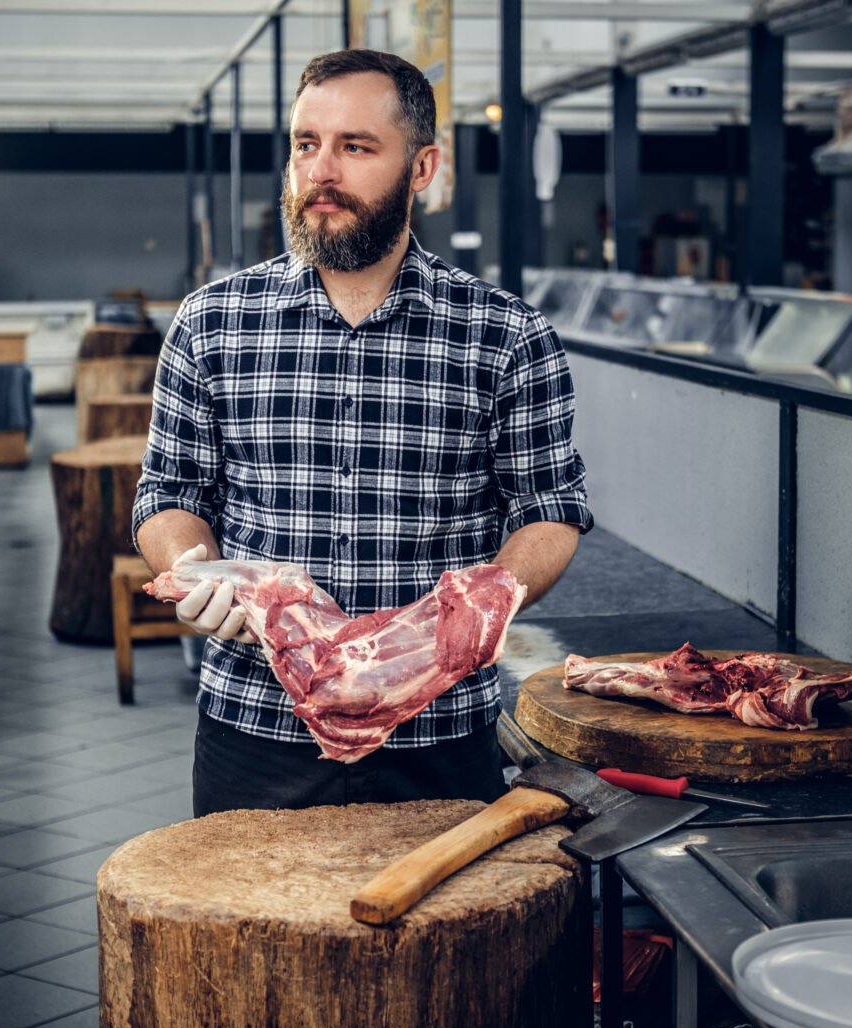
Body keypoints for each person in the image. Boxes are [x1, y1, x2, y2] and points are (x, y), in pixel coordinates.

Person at [132, 49, 592, 817]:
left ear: (422, 169)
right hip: (256, 726)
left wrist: (481, 606)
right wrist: (193, 567)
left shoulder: (505, 334)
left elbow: (550, 507)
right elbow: (168, 492)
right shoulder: (211, 323)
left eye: (356, 146)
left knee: (447, 936)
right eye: (306, 144)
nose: (321, 171)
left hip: (438, 728)